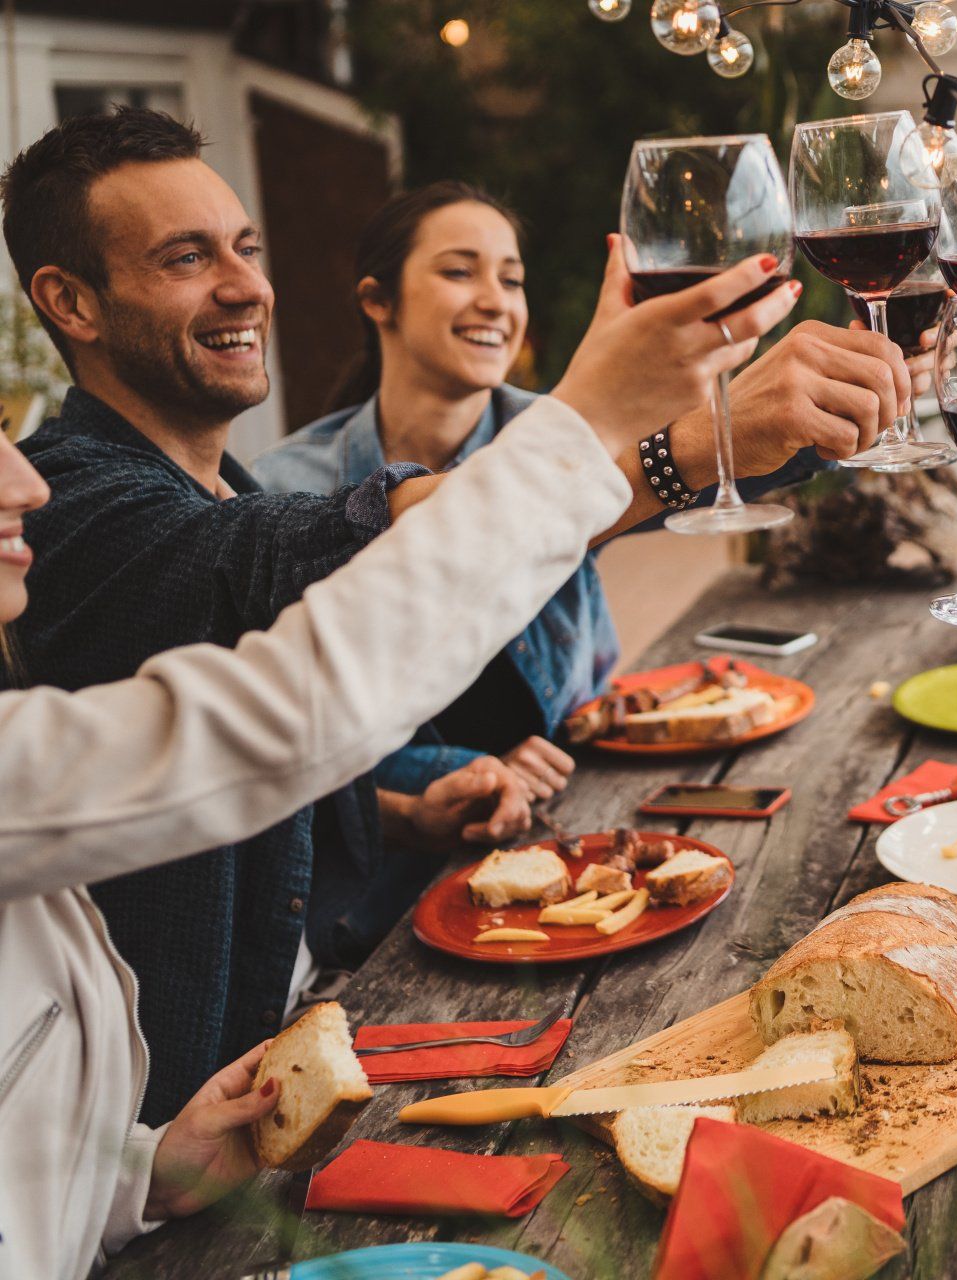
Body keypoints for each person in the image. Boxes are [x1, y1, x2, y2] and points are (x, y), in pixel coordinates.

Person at [0, 106, 898, 1121]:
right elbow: (365, 570)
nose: (248, 284)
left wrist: (392, 810)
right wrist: (675, 439)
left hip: (292, 1045)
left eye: (245, 248)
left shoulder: (228, 487)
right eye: (185, 257)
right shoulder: (75, 502)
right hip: (170, 1135)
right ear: (71, 301)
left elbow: (215, 764)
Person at [0, 232, 798, 1278]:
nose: (26, 483)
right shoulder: (118, 500)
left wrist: (145, 1175)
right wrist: (608, 424)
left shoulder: (217, 486)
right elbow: (299, 704)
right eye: (186, 254)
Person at [251, 182, 859, 799]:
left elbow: (695, 470)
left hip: (585, 791)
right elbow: (267, 732)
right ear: (379, 301)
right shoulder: (282, 487)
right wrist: (439, 769)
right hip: (395, 861)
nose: (495, 302)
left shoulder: (564, 429)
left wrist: (840, 409)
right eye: (461, 272)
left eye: (511, 281)